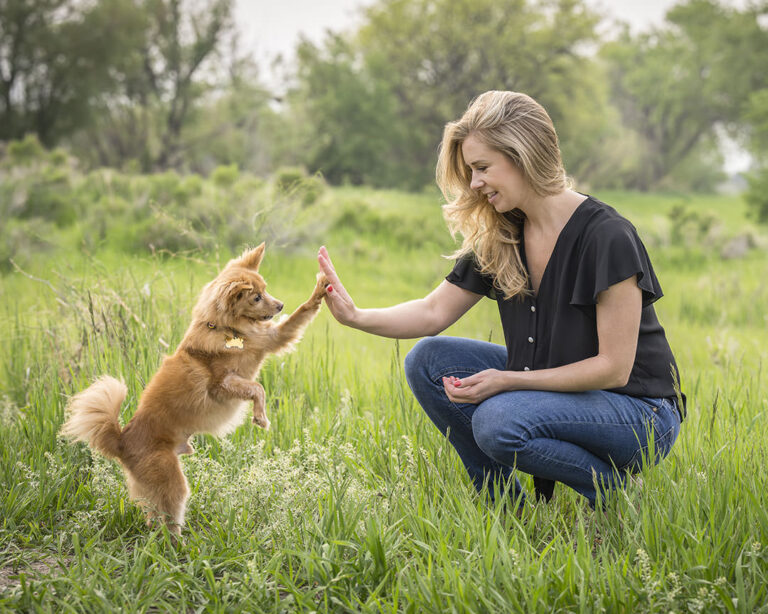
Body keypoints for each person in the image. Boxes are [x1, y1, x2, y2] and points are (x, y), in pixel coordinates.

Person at [317, 90, 684, 510]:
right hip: (564, 392)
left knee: (497, 420)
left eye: (482, 168)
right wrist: (356, 316)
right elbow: (434, 311)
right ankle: (506, 508)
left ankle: (611, 492)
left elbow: (614, 369)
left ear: (522, 154)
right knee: (429, 361)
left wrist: (509, 380)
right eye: (471, 171)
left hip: (638, 413)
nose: (474, 183)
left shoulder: (607, 236)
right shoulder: (504, 234)